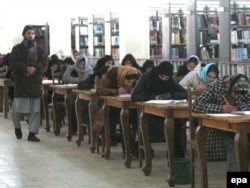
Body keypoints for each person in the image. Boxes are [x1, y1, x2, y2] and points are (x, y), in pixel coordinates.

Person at [192, 73, 250, 171]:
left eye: (240, 95)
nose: (237, 97)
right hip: (217, 131)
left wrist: (238, 107)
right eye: (235, 94)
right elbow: (196, 105)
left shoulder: (243, 88)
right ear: (229, 86)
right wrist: (220, 108)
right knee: (237, 146)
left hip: (238, 129)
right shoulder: (214, 87)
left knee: (244, 144)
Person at [131, 61, 187, 157]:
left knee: (176, 125)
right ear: (158, 73)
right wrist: (153, 97)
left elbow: (185, 93)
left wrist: (171, 95)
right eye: (162, 77)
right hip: (150, 113)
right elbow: (134, 96)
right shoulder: (146, 77)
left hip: (167, 111)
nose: (164, 79)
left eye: (167, 78)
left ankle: (176, 158)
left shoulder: (170, 80)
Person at [9, 25, 48, 142]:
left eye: (32, 33)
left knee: (35, 110)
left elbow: (44, 63)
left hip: (34, 83)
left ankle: (32, 133)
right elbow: (13, 62)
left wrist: (35, 69)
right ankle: (17, 127)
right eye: (28, 33)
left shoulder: (40, 50)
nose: (30, 36)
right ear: (24, 34)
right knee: (16, 111)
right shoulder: (16, 49)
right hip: (21, 82)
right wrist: (25, 68)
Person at [96, 65, 141, 148]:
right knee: (124, 117)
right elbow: (98, 90)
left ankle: (140, 147)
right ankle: (128, 150)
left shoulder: (137, 76)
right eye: (127, 82)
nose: (129, 84)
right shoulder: (111, 75)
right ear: (122, 77)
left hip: (129, 107)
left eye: (132, 82)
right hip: (111, 108)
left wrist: (134, 90)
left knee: (140, 117)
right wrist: (116, 91)